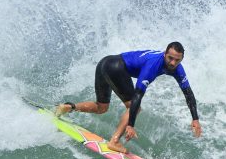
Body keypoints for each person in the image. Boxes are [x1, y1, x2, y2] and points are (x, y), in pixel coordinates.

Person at [57, 42, 202, 153]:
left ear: (181, 59)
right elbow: (138, 94)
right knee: (135, 107)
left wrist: (195, 118)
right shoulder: (153, 65)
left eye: (177, 60)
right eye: (170, 58)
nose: (173, 63)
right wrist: (131, 125)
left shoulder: (177, 69)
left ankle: (68, 107)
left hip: (104, 63)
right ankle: (114, 141)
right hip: (116, 67)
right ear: (164, 54)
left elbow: (188, 93)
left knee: (101, 107)